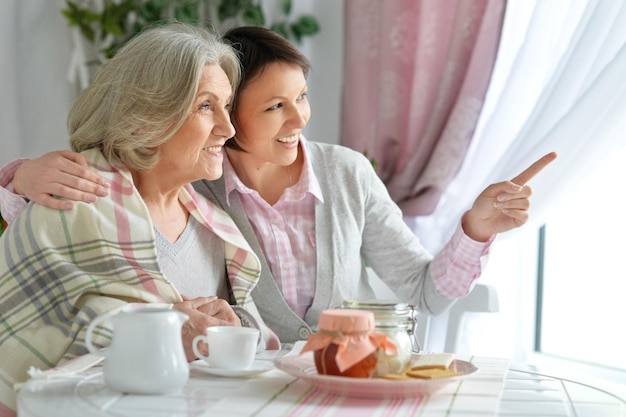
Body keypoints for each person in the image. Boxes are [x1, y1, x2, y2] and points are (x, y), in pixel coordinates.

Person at [0, 26, 557, 345]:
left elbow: (426, 292)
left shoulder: (343, 176)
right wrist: (17, 174)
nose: (299, 120)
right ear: (232, 118)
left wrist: (477, 228)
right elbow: (94, 192)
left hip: (326, 385)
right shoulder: (203, 188)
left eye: (303, 98)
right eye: (273, 107)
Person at [0, 23, 279, 415]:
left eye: (226, 106)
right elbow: (13, 366)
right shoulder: (68, 206)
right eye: (205, 106)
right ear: (150, 114)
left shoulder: (219, 229)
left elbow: (254, 341)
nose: (228, 128)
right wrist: (164, 336)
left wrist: (235, 326)